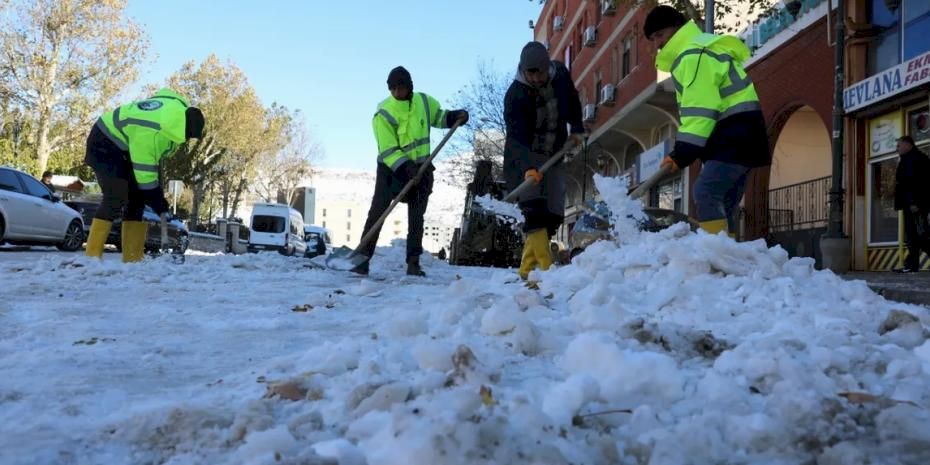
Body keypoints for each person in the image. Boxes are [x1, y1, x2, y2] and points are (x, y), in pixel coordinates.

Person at [644, 6, 771, 235]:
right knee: (725, 202)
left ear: (677, 27)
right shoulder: (699, 48)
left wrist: (682, 152)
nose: (657, 45)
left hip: (735, 134)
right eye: (653, 39)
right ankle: (727, 256)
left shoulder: (692, 55)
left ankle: (717, 256)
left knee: (706, 192)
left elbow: (700, 109)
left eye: (660, 35)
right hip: (740, 133)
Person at [352, 66, 468, 276]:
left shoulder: (423, 102)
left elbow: (439, 117)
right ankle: (361, 260)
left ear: (409, 87)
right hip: (391, 171)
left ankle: (413, 262)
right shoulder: (383, 113)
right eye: (393, 89)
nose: (397, 92)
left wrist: (455, 117)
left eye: (401, 88)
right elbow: (387, 150)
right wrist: (406, 167)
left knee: (417, 217)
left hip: (422, 169)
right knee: (377, 212)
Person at [83, 88, 204, 262]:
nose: (187, 140)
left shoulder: (176, 109)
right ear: (182, 130)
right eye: (188, 137)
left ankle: (132, 258)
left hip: (126, 143)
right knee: (116, 195)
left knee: (137, 199)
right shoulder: (151, 134)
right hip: (104, 142)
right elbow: (146, 178)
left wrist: (157, 196)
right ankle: (91, 256)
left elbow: (151, 171)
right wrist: (159, 202)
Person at [503, 41, 584, 280]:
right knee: (534, 212)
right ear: (523, 69)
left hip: (554, 154)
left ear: (548, 66)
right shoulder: (515, 95)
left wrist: (577, 128)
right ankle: (547, 274)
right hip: (524, 158)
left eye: (541, 71)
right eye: (531, 73)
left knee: (553, 215)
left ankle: (526, 271)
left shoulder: (559, 74)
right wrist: (529, 168)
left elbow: (572, 100)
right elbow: (517, 138)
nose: (537, 78)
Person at [894, 136, 930, 273]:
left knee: (920, 235)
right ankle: (911, 265)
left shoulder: (915, 159)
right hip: (910, 204)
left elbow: (917, 183)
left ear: (908, 145)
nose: (897, 149)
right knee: (913, 236)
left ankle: (911, 265)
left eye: (899, 145)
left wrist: (914, 202)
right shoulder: (908, 159)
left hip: (916, 204)